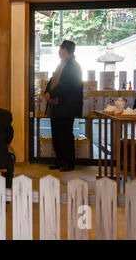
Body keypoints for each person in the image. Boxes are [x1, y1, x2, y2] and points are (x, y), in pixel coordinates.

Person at [45, 40, 83, 172]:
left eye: (60, 49)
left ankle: (69, 163)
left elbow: (67, 85)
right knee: (56, 134)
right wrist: (47, 92)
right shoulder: (62, 64)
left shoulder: (73, 66)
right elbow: (53, 80)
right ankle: (60, 160)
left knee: (65, 135)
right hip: (57, 105)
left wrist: (52, 93)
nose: (58, 51)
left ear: (65, 51)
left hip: (66, 106)